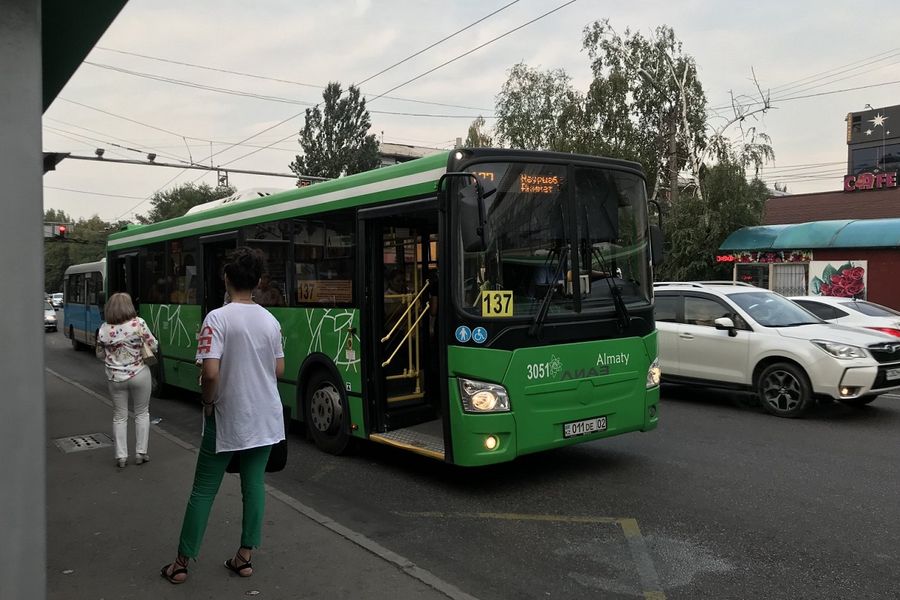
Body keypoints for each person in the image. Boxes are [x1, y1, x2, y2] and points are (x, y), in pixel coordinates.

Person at [161, 247, 285, 585]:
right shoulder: (270, 321)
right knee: (254, 485)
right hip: (265, 418)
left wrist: (208, 401)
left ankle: (181, 563)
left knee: (203, 488)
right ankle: (244, 557)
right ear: (258, 282)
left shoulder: (217, 318)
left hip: (227, 416)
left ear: (226, 279)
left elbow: (211, 373)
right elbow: (278, 368)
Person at [95, 292, 158, 469]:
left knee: (119, 416)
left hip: (115, 377)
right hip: (139, 374)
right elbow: (153, 345)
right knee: (142, 412)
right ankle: (140, 453)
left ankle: (121, 456)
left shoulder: (104, 329)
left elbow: (100, 354)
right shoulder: (139, 324)